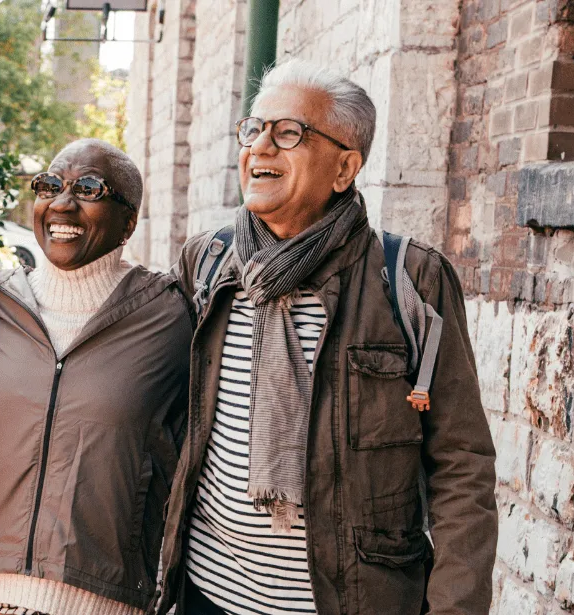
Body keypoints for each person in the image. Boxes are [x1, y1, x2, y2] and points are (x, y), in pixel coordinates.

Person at [156, 60, 497, 615]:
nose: (261, 148)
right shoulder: (208, 263)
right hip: (208, 598)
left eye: (289, 133)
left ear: (344, 168)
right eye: (253, 129)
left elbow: (461, 464)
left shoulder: (409, 278)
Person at [0, 139, 191, 615]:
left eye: (90, 189)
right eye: (50, 185)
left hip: (100, 601)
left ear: (130, 221)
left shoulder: (171, 316)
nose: (61, 202)